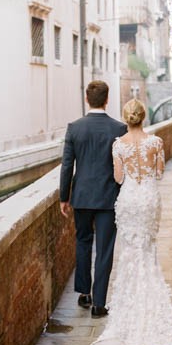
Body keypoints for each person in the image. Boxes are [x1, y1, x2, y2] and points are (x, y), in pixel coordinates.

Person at [90, 99, 172, 345]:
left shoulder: (118, 145)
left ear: (126, 118)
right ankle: (151, 306)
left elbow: (119, 178)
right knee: (148, 249)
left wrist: (131, 173)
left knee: (130, 252)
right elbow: (159, 172)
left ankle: (129, 311)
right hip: (148, 198)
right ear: (143, 118)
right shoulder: (155, 142)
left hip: (129, 199)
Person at [59, 80, 127, 317]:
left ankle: (84, 293)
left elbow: (67, 165)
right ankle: (99, 303)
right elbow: (124, 167)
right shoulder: (119, 129)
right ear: (106, 100)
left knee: (83, 242)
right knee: (105, 249)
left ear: (87, 99)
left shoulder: (74, 128)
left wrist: (63, 197)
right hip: (109, 197)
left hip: (82, 196)